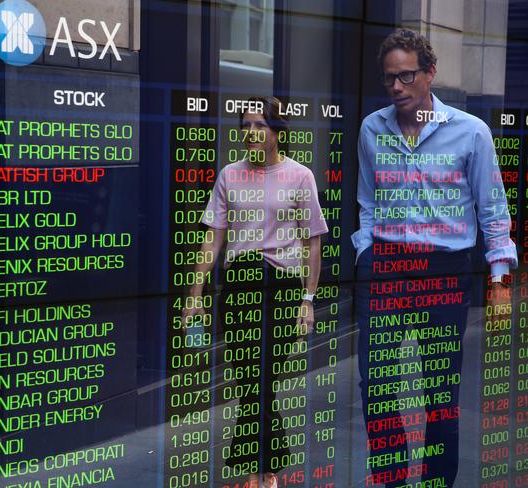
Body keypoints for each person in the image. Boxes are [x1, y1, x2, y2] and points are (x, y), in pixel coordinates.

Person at [352, 29, 517, 487]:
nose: (397, 87)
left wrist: (500, 282)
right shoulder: (372, 128)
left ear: (430, 73)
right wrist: (366, 251)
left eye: (407, 76)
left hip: (444, 269)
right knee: (378, 385)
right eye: (389, 79)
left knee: (439, 389)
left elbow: (492, 210)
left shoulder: (471, 132)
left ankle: (436, 481)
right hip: (384, 266)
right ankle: (391, 479)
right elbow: (367, 198)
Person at [182, 95, 328, 488]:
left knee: (263, 377)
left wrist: (307, 300)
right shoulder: (230, 174)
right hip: (239, 285)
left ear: (277, 131)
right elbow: (213, 239)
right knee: (249, 380)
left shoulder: (300, 176)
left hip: (280, 286)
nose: (250, 133)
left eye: (259, 125)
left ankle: (258, 474)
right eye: (245, 126)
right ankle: (264, 474)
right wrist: (195, 293)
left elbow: (312, 243)